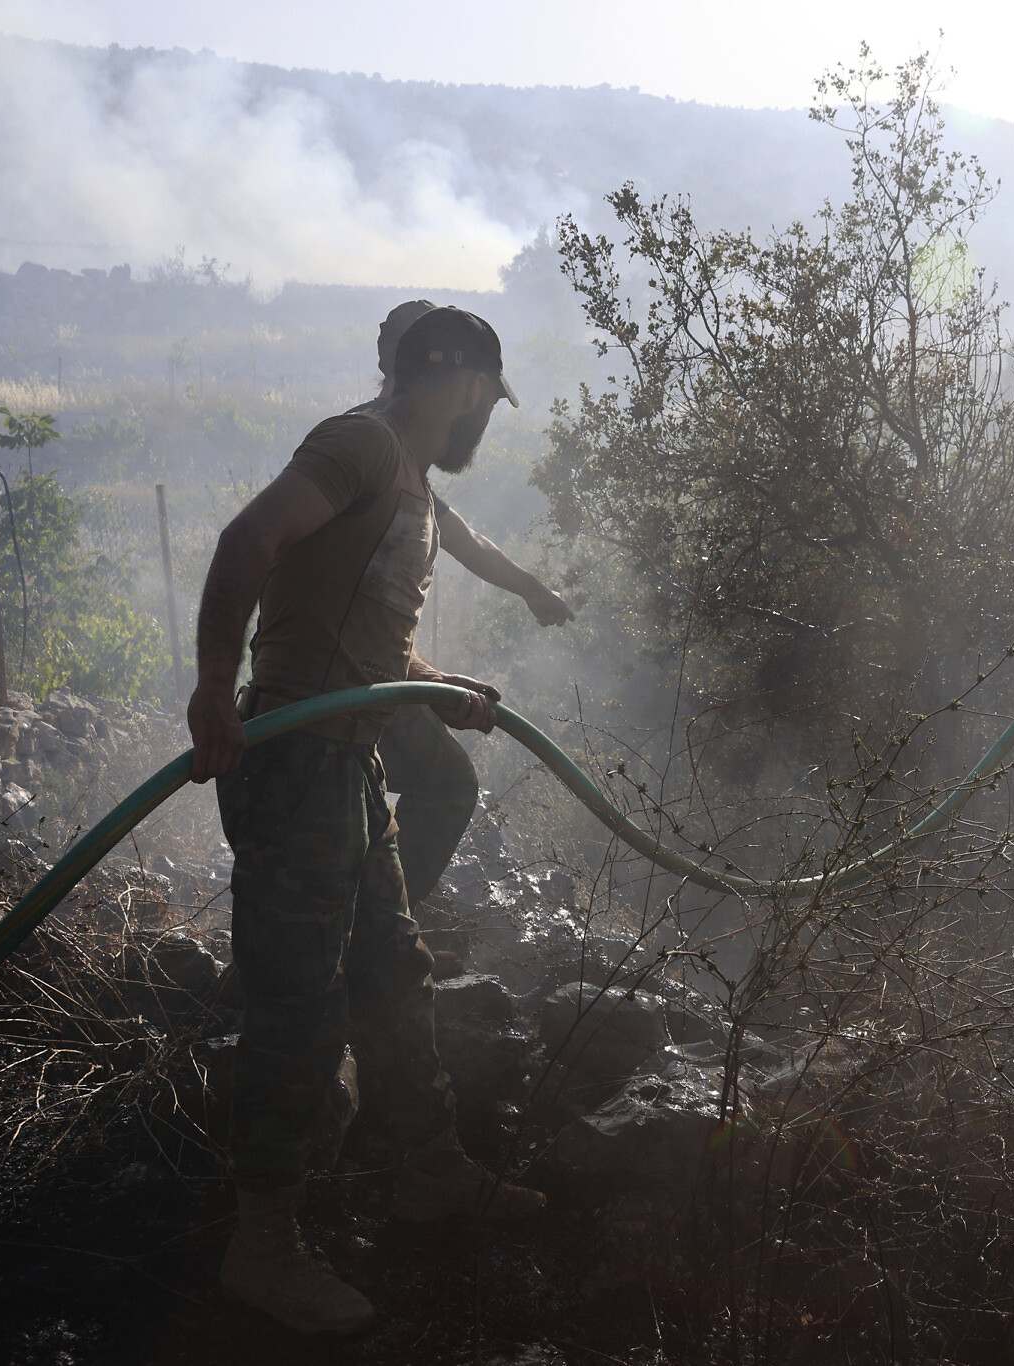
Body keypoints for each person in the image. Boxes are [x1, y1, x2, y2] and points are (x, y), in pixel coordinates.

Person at [187, 306, 545, 1336]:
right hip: (296, 762)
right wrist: (216, 688)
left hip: (343, 765)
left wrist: (439, 688)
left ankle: (429, 1168)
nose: (487, 420)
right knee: (298, 1010)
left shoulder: (405, 481)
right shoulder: (363, 443)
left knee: (389, 967)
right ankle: (262, 1248)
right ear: (472, 386)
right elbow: (248, 539)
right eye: (490, 400)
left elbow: (367, 649)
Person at [359, 301, 572, 917]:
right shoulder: (369, 445)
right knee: (448, 786)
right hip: (344, 688)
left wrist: (532, 589)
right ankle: (380, 921)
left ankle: (371, 917)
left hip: (363, 681)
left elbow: (461, 539)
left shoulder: (399, 453)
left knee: (424, 788)